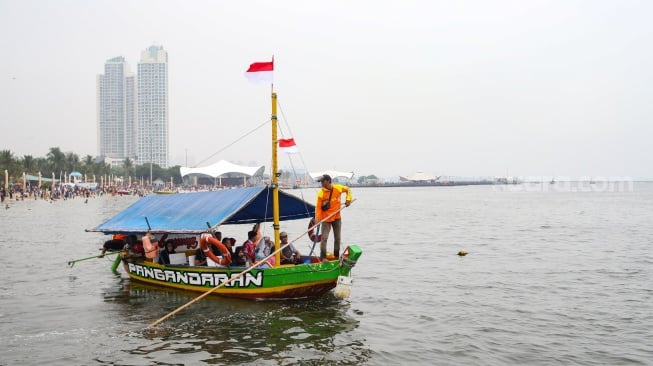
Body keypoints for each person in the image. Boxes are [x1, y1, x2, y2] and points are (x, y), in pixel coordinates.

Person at [315, 174, 352, 259]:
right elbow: (318, 208)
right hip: (326, 219)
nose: (321, 183)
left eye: (322, 181)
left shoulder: (338, 188)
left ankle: (336, 256)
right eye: (320, 181)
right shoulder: (321, 194)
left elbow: (348, 190)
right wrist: (317, 219)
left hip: (336, 217)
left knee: (338, 238)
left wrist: (348, 199)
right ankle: (323, 257)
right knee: (324, 238)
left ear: (328, 181)